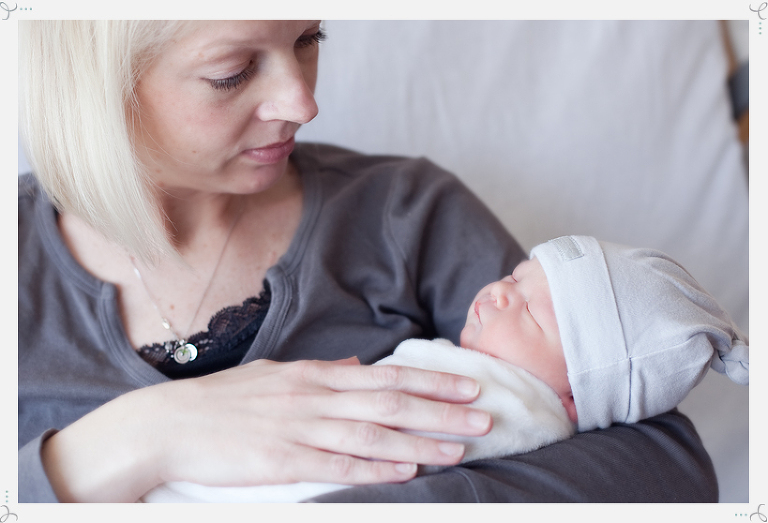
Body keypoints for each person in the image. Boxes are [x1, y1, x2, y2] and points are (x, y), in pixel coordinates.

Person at [18, 20, 718, 503]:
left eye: (308, 40)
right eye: (232, 73)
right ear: (96, 85)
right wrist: (141, 436)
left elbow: (666, 468)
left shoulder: (404, 215)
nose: (303, 103)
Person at [141, 235, 748, 502]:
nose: (500, 292)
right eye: (515, 276)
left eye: (531, 314)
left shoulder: (509, 406)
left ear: (572, 399)